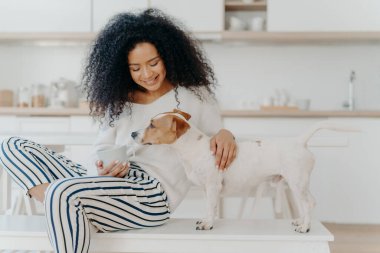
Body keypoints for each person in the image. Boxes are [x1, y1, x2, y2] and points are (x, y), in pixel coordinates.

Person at [0, 8, 236, 253]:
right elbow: (101, 150)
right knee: (10, 146)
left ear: (168, 56)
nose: (146, 74)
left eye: (153, 63)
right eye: (136, 68)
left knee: (62, 192)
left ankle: (67, 204)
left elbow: (214, 139)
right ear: (125, 69)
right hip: (102, 183)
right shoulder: (119, 102)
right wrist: (104, 167)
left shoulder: (194, 96)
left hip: (150, 196)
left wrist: (226, 134)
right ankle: (72, 206)